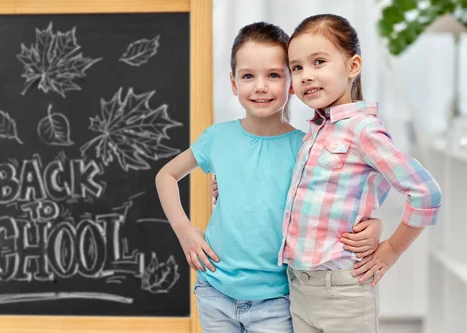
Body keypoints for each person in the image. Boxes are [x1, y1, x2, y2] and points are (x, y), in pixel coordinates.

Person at [214, 14, 443, 333]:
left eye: (318, 61)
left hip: (344, 293)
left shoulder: (363, 131)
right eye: (297, 67)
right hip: (299, 290)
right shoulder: (315, 133)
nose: (306, 76)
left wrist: (391, 249)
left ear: (353, 66)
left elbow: (425, 193)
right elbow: (353, 188)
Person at [155, 21, 382, 333]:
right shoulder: (217, 138)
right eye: (248, 76)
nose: (260, 86)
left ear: (291, 82)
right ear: (233, 83)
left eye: (273, 75)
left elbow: (342, 198)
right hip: (214, 290)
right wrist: (184, 231)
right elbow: (166, 175)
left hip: (279, 299)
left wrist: (374, 223)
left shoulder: (307, 146)